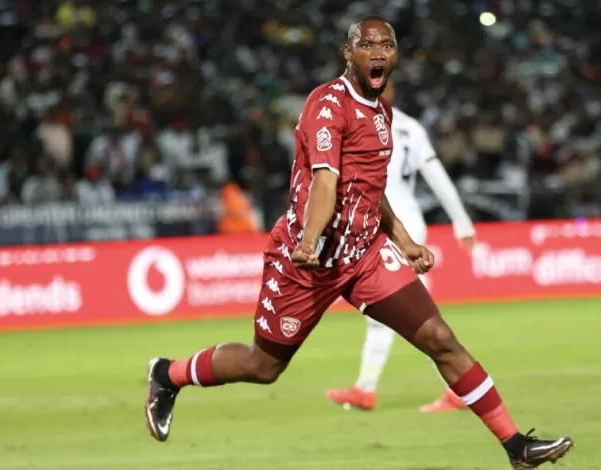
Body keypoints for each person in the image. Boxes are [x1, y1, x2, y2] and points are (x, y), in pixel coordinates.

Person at [144, 16, 573, 469]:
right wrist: (309, 241)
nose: (378, 52)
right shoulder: (326, 106)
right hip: (305, 262)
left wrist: (403, 239)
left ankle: (516, 447)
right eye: (367, 45)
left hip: (363, 256)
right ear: (348, 53)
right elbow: (325, 183)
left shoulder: (382, 113)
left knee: (440, 338)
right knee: (262, 367)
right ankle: (168, 374)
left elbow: (368, 187)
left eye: (386, 44)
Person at [325, 80, 476, 413]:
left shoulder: (359, 124)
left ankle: (459, 389)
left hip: (394, 227)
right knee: (387, 312)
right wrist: (461, 221)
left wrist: (462, 222)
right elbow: (437, 176)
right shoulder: (412, 128)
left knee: (412, 315)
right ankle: (365, 389)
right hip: (394, 223)